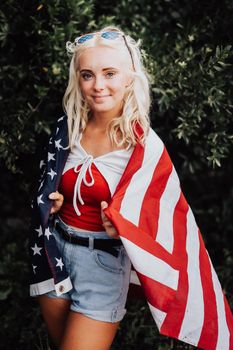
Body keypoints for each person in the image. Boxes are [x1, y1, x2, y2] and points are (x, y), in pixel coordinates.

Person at [29, 26, 233, 350]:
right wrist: (55, 202)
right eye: (87, 75)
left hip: (103, 266)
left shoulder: (143, 147)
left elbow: (163, 219)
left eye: (109, 73)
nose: (98, 86)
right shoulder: (66, 129)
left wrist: (123, 226)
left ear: (129, 77)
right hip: (53, 254)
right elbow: (54, 184)